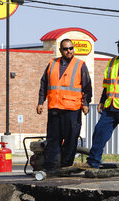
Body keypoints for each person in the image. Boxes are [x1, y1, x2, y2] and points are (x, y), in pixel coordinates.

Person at [86, 34, 119, 169]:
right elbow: (107, 84)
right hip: (110, 105)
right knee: (99, 132)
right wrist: (102, 101)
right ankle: (93, 162)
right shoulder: (112, 62)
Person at [36, 39, 91, 171]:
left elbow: (87, 87)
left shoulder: (80, 65)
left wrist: (85, 103)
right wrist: (40, 102)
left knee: (71, 140)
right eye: (66, 49)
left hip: (72, 110)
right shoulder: (52, 63)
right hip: (55, 108)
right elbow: (44, 83)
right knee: (53, 140)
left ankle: (66, 167)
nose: (69, 51)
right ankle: (50, 168)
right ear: (61, 50)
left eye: (71, 48)